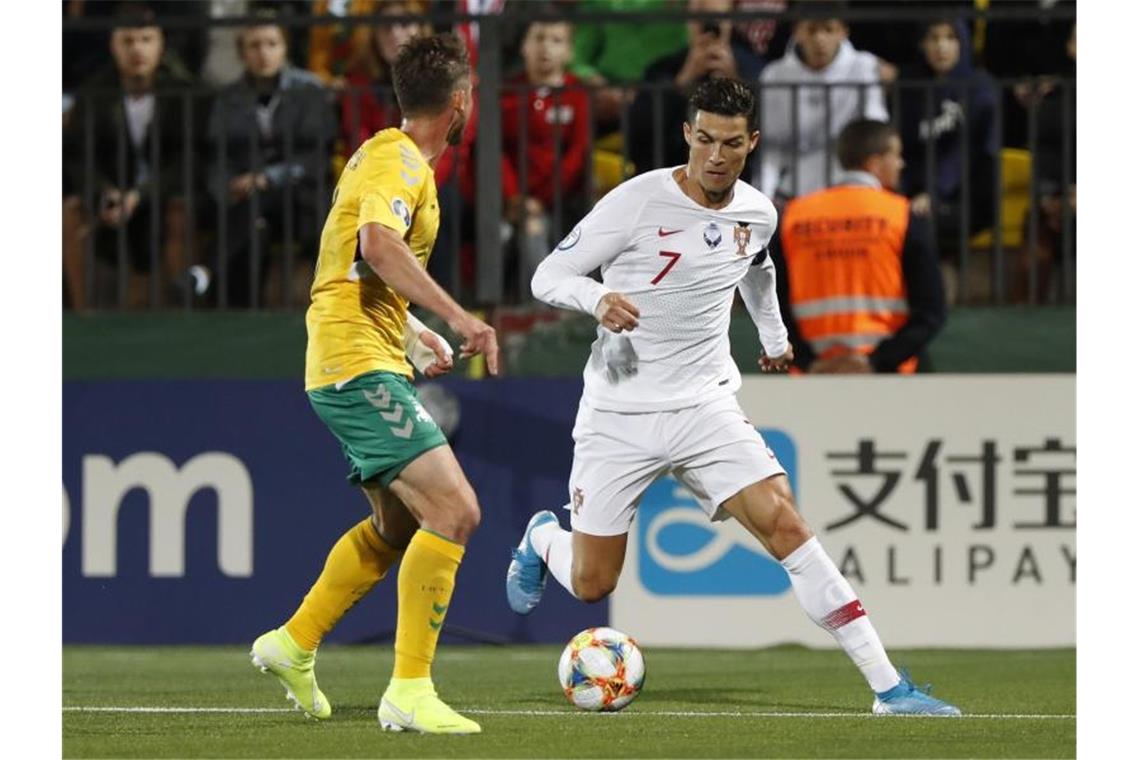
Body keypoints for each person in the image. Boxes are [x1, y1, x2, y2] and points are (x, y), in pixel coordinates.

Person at [506, 78, 960, 717]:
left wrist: (773, 337)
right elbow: (547, 274)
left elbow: (758, 267)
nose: (715, 156)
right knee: (590, 583)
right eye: (704, 140)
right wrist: (597, 297)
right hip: (619, 412)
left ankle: (890, 688)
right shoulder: (635, 203)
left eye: (730, 144)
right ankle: (545, 538)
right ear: (687, 135)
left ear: (751, 143)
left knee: (788, 526)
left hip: (704, 406)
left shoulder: (758, 211)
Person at [249, 33, 500, 735]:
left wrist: (413, 332)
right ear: (460, 103)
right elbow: (377, 247)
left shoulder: (379, 153)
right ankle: (410, 689)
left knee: (395, 525)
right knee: (455, 511)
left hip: (365, 351)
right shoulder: (400, 163)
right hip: (353, 362)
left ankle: (293, 642)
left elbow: (352, 265)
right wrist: (459, 317)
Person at [771, 119, 946, 374]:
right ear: (874, 163)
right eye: (896, 155)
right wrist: (875, 362)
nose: (901, 164)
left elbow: (770, 306)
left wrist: (810, 362)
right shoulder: (902, 216)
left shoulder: (793, 217)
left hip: (812, 381)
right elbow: (931, 311)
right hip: (890, 378)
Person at [62, 3, 193, 309]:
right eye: (128, 41)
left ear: (160, 44)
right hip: (113, 195)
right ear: (113, 45)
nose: (137, 49)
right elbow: (81, 157)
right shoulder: (94, 92)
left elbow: (187, 160)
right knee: (69, 212)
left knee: (180, 210)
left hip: (162, 196)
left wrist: (140, 195)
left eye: (146, 40)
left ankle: (183, 314)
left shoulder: (184, 92)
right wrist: (103, 192)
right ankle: (85, 317)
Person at [207, 12, 337, 307]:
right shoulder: (228, 98)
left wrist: (268, 177)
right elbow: (217, 157)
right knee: (250, 216)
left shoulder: (309, 89)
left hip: (302, 196)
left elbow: (316, 156)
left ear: (285, 47)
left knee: (258, 210)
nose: (263, 52)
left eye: (271, 43)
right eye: (254, 45)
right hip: (246, 197)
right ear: (242, 52)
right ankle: (241, 315)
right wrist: (227, 187)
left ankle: (204, 271)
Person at [754, 8, 889, 202]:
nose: (819, 39)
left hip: (851, 187)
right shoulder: (774, 75)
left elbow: (875, 129)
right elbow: (771, 149)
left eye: (828, 29)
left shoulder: (863, 66)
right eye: (811, 30)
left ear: (843, 32)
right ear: (797, 32)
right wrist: (764, 199)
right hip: (792, 190)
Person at [500, 13, 591, 298]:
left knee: (533, 229)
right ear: (523, 46)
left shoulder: (577, 93)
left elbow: (578, 154)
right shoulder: (505, 93)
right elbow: (496, 151)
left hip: (562, 201)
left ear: (569, 51)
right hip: (510, 202)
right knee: (499, 234)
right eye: (538, 38)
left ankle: (541, 314)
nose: (546, 48)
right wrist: (515, 197)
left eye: (556, 40)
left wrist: (541, 200)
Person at [897, 18, 999, 260]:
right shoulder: (910, 87)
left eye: (950, 38)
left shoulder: (981, 87)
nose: (941, 47)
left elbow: (966, 152)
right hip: (916, 195)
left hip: (966, 195)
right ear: (922, 44)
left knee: (922, 232)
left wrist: (933, 193)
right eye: (933, 38)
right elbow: (903, 149)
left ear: (963, 43)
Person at [628, 0, 765, 174]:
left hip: (736, 181)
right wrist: (682, 83)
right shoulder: (662, 69)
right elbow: (638, 136)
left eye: (715, 19)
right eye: (699, 19)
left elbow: (767, 134)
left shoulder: (753, 69)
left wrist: (735, 86)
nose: (708, 29)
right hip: (670, 176)